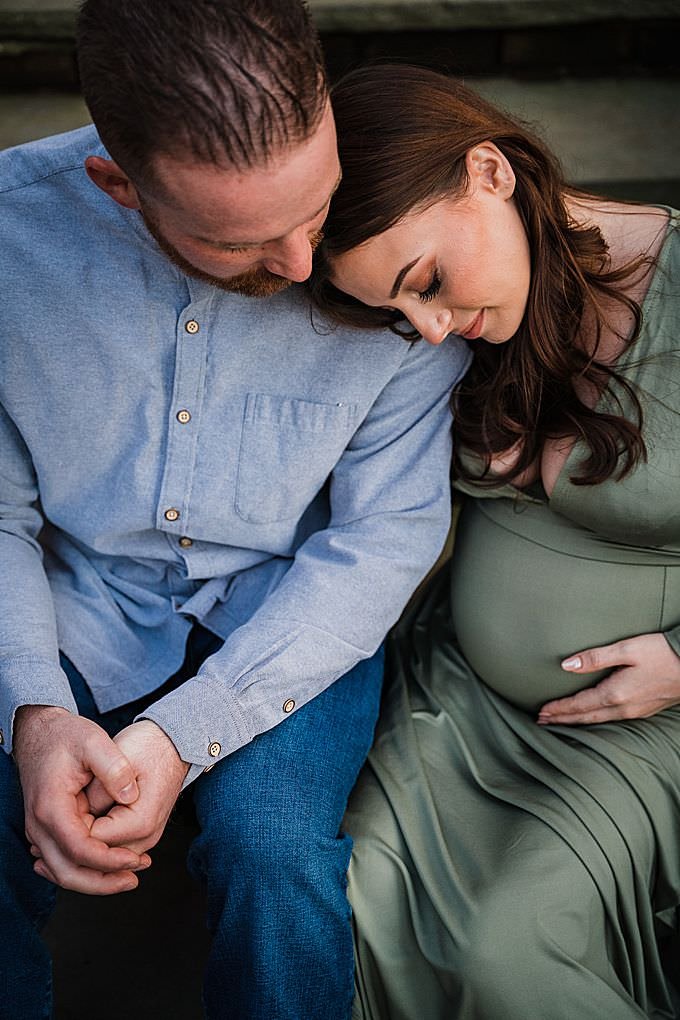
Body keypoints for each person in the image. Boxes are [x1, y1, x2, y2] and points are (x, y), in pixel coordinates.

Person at [0, 8, 471, 1016]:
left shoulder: (392, 249)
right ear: (119, 188)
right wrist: (33, 709)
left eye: (316, 204)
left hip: (290, 615)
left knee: (272, 856)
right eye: (236, 240)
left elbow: (381, 540)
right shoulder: (10, 244)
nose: (306, 264)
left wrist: (184, 735)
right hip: (76, 601)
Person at [309, 64, 680, 1019]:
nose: (429, 331)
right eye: (397, 312)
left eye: (425, 283)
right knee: (342, 900)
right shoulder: (472, 323)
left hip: (641, 718)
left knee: (510, 949)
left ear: (489, 172)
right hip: (457, 702)